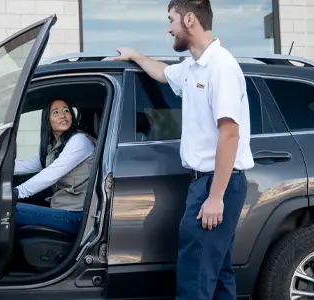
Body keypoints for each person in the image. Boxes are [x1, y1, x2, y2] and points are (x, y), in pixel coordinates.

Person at [113, 0, 254, 299]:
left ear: (189, 19)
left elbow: (230, 134)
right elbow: (164, 74)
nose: (169, 28)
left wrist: (215, 196)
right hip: (207, 183)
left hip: (216, 184)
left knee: (194, 280)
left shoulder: (221, 67)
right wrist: (136, 56)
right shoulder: (193, 67)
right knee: (216, 275)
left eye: (171, 20)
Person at [13, 99, 96, 235]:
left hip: (77, 216)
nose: (63, 115)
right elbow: (26, 165)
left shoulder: (80, 141)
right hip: (63, 208)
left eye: (66, 111)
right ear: (48, 121)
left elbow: (50, 175)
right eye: (56, 112)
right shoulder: (56, 147)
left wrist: (15, 193)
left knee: (9, 210)